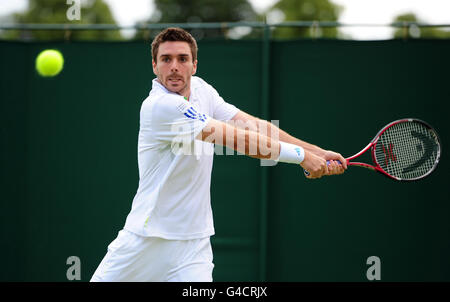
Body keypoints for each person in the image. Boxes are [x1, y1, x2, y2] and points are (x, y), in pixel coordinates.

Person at [90, 27, 347, 282]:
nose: (175, 67)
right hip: (146, 240)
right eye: (166, 59)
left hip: (193, 246)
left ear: (194, 65)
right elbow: (237, 139)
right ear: (155, 66)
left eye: (183, 59)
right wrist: (301, 156)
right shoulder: (160, 106)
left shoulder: (202, 90)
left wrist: (317, 151)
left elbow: (253, 126)